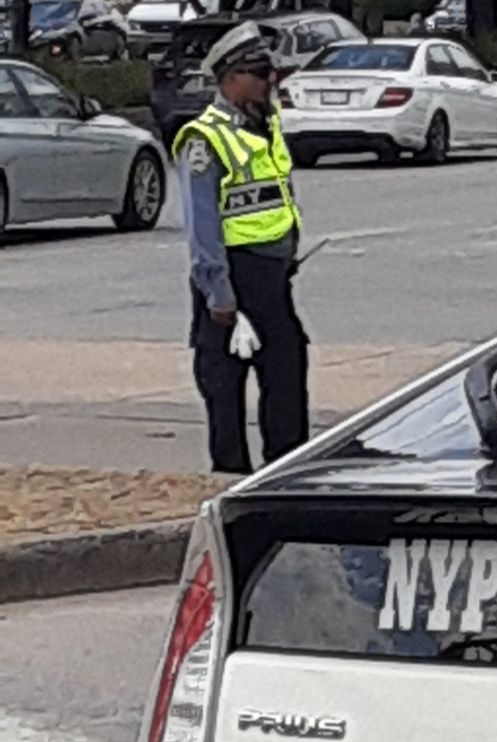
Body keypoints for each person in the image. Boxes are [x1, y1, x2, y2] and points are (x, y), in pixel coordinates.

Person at [173, 21, 309, 475]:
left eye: (270, 73)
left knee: (287, 375)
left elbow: (278, 196)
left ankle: (283, 473)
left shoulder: (266, 127)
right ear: (230, 79)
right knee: (224, 388)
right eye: (257, 73)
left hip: (272, 277)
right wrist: (220, 294)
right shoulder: (204, 139)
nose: (268, 82)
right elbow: (202, 225)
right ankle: (230, 480)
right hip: (231, 278)